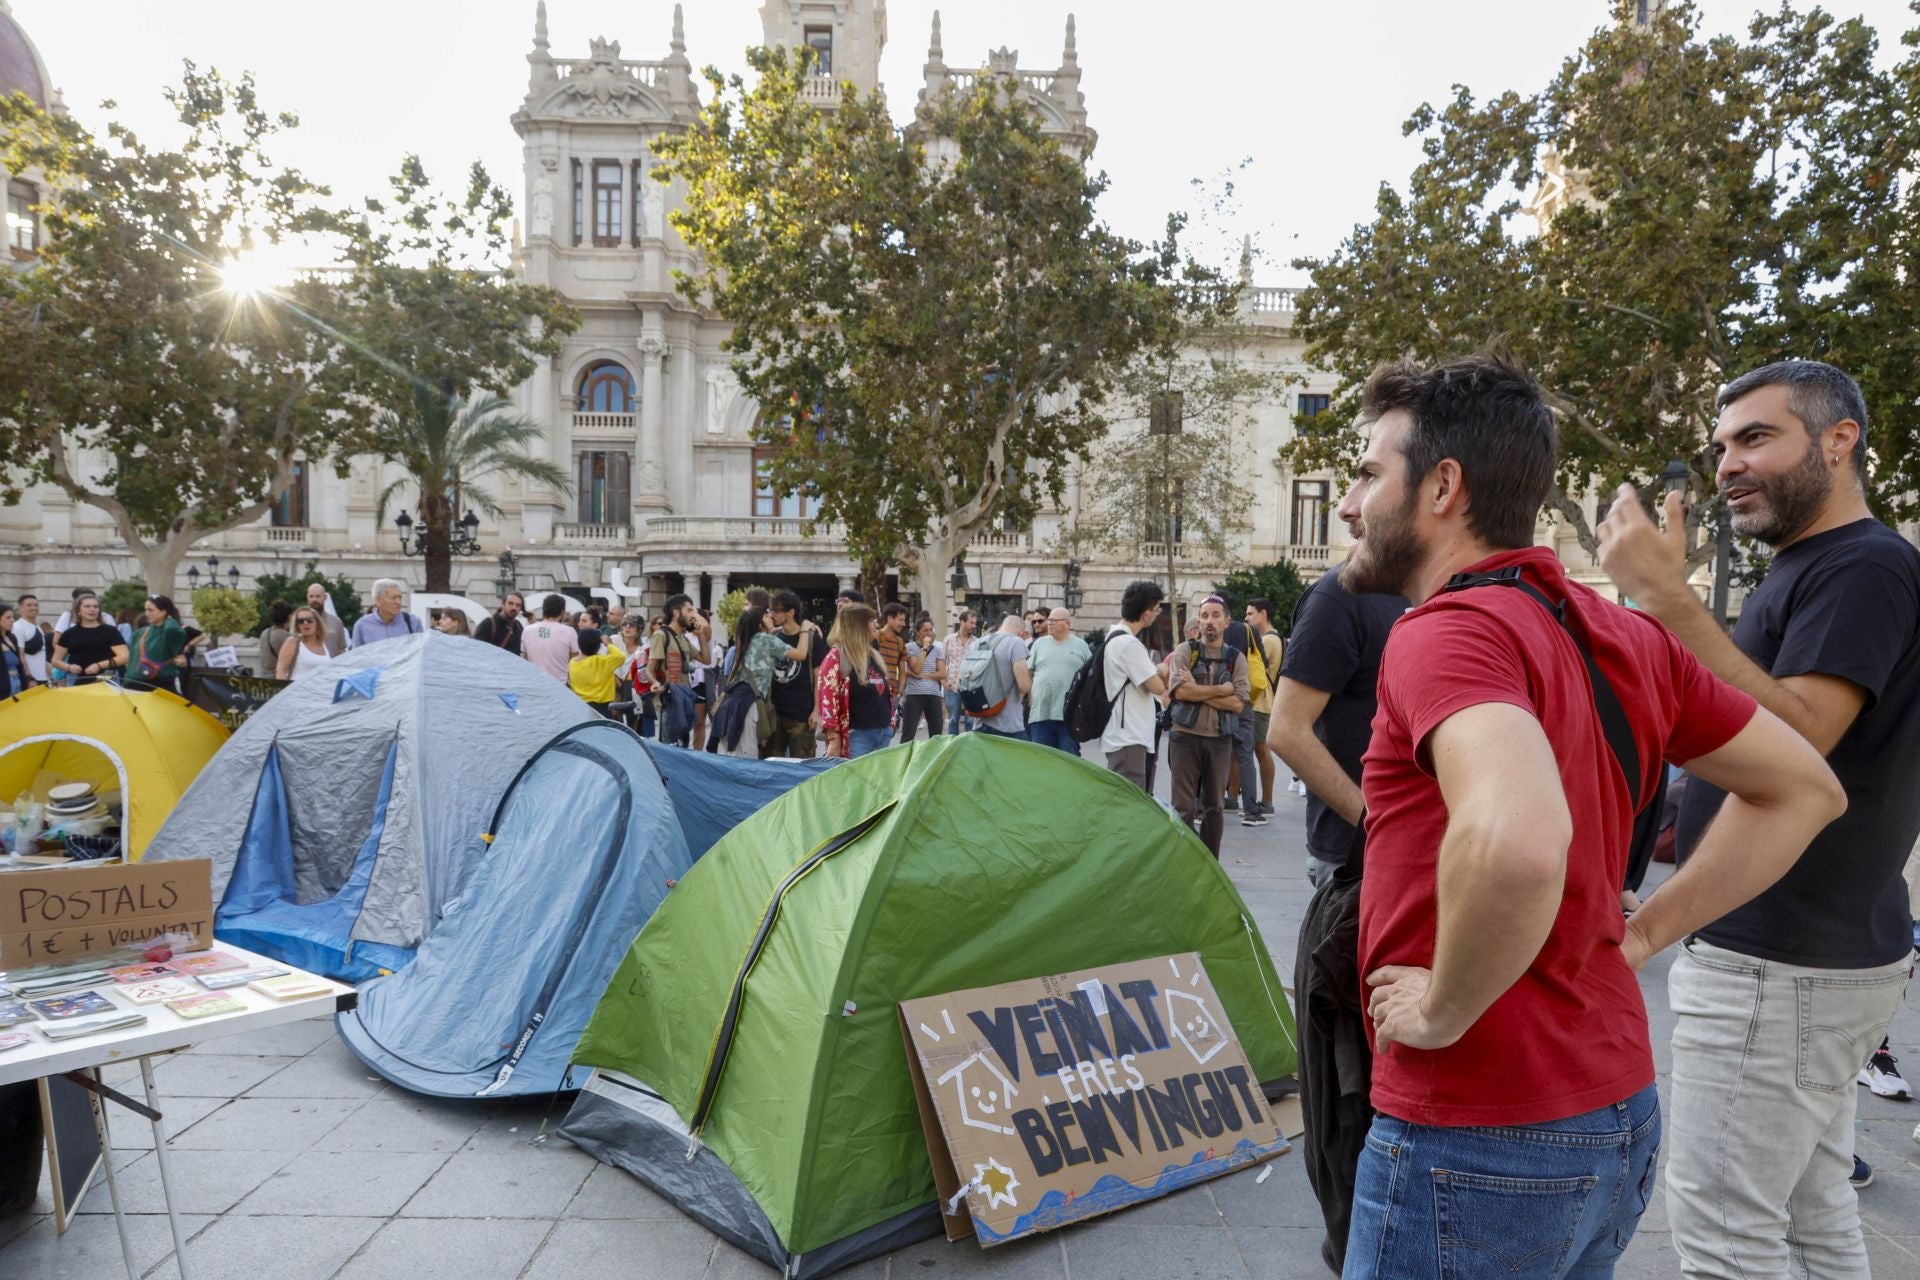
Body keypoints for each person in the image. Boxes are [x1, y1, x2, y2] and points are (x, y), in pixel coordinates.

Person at [1333, 351, 1844, 1279]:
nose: (1346, 504)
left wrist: (1444, 1009)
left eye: (1368, 474)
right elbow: (1807, 788)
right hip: (1613, 1110)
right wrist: (1647, 937)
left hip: (1478, 1126)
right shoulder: (1625, 634)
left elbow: (1518, 842)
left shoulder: (1446, 632)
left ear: (1444, 486)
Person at [1595, 358, 1920, 1277]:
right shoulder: (1816, 565)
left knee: (1725, 1238)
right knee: (1815, 1219)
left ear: (1839, 440)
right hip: (1806, 958)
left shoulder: (1864, 565)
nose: (1728, 462)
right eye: (1722, 445)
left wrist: (1666, 597)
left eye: (1756, 438)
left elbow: (1802, 737)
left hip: (1780, 961)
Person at [1268, 570, 1407, 888]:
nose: (1347, 515)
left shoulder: (1437, 588)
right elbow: (1286, 731)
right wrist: (1376, 825)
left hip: (1431, 850)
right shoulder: (1339, 595)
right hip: (1354, 857)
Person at [1164, 596, 1248, 857]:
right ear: (1198, 621)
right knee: (1183, 806)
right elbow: (1179, 694)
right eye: (1204, 615)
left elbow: (1238, 705)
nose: (1209, 621)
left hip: (1219, 738)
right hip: (1184, 737)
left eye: (1215, 615)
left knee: (1215, 806)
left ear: (1226, 621)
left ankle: (1210, 862)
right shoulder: (1185, 652)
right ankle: (1186, 860)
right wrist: (1222, 689)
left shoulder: (1236, 659)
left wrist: (1196, 689)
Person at [1101, 581, 1170, 791]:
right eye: (1157, 609)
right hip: (1128, 736)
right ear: (1146, 612)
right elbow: (1157, 687)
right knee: (1129, 801)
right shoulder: (1129, 645)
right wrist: (1160, 670)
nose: (1158, 614)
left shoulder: (1114, 636)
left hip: (1124, 734)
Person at [817, 603, 895, 758]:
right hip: (857, 736)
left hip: (882, 733)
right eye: (871, 621)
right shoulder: (836, 656)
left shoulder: (873, 655)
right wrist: (833, 737)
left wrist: (891, 724)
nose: (876, 625)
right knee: (856, 781)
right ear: (858, 625)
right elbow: (827, 698)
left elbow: (887, 693)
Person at [713, 606, 791, 756]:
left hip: (733, 705)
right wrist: (806, 631)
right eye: (766, 615)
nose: (771, 616)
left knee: (732, 755)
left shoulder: (747, 641)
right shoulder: (765, 640)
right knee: (746, 760)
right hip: (747, 707)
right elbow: (800, 654)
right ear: (759, 624)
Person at [1218, 605, 1269, 824]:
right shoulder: (1247, 630)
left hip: (1216, 700)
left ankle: (1205, 806)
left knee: (1213, 752)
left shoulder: (1211, 629)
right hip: (1242, 698)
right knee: (1245, 755)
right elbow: (1263, 662)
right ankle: (1251, 811)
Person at [763, 591, 822, 759]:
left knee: (802, 765)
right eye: (771, 610)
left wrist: (817, 710)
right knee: (770, 764)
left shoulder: (812, 639)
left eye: (777, 610)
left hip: (802, 714)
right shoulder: (774, 636)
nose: (772, 614)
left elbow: (819, 676)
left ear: (791, 612)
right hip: (774, 713)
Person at [1025, 607, 1091, 754]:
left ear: (1067, 624)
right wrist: (1031, 700)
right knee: (1041, 760)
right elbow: (1028, 673)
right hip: (1041, 714)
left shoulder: (1081, 646)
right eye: (1049, 620)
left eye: (1054, 620)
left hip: (1069, 716)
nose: (1049, 623)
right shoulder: (1039, 644)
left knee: (1069, 760)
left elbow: (1089, 679)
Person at [1244, 598, 1286, 816]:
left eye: (1251, 613)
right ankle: (1238, 796)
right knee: (1248, 752)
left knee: (1261, 750)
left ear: (1263, 614)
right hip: (1259, 701)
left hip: (1260, 702)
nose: (1247, 618)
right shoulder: (1263, 638)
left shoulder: (1268, 640)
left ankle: (1267, 801)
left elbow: (1256, 671)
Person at [649, 594, 707, 747]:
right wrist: (655, 682)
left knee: (683, 745)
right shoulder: (661, 635)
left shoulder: (683, 638)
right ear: (676, 612)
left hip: (685, 697)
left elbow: (706, 659)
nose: (692, 616)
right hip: (669, 699)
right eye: (689, 611)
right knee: (670, 747)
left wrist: (700, 635)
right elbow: (650, 669)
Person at [970, 616, 1033, 739]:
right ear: (1021, 633)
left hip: (980, 720)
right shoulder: (1016, 642)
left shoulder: (978, 643)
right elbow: (1024, 685)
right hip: (1008, 724)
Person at [52, 593, 128, 685]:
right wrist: (69, 667)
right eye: (87, 606)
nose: (92, 609)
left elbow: (125, 657)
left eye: (95, 607)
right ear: (78, 610)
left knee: (104, 698)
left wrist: (99, 665)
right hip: (75, 676)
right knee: (79, 699)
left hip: (106, 674)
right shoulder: (69, 633)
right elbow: (55, 660)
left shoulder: (111, 631)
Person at [897, 616, 947, 741]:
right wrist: (925, 648)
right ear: (918, 632)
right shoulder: (910, 647)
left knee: (936, 735)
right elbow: (917, 668)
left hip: (934, 695)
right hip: (914, 695)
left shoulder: (938, 649)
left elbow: (942, 673)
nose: (929, 633)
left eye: (931, 630)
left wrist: (925, 676)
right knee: (908, 733)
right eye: (925, 630)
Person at [127, 596, 191, 694]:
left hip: (162, 686)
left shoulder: (173, 633)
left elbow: (173, 631)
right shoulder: (139, 633)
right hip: (135, 685)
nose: (146, 614)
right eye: (146, 610)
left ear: (164, 611)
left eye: (150, 610)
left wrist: (169, 619)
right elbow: (132, 661)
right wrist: (127, 682)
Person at [523, 594, 583, 683]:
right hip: (560, 684)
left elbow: (525, 658)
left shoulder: (527, 630)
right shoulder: (570, 632)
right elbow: (575, 660)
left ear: (544, 610)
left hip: (534, 683)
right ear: (562, 612)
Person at [569, 627, 626, 718]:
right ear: (598, 646)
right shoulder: (602, 661)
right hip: (602, 707)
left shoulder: (573, 663)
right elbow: (620, 656)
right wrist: (607, 643)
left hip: (581, 706)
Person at [349, 579, 420, 648]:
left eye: (400, 597)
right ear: (378, 600)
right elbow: (357, 657)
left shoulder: (412, 622)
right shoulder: (362, 625)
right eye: (393, 598)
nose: (398, 602)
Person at [942, 609, 978, 734]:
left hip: (971, 687)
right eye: (971, 623)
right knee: (952, 719)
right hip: (951, 686)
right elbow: (942, 661)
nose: (974, 626)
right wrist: (943, 681)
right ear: (962, 621)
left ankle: (969, 749)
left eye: (974, 623)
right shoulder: (949, 640)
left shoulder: (976, 642)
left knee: (971, 721)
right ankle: (953, 747)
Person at [275, 606, 334, 681]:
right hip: (298, 691)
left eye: (309, 620)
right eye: (300, 621)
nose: (305, 623)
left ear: (317, 622)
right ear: (297, 626)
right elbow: (280, 671)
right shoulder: (293, 642)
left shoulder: (323, 644)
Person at [873, 602, 911, 703]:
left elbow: (903, 671)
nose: (904, 624)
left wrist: (899, 693)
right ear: (890, 619)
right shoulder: (875, 637)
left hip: (891, 695)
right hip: (874, 691)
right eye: (901, 620)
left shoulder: (900, 642)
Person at [10, 595, 47, 685]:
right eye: (29, 605)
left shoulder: (38, 627)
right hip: (31, 680)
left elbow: (41, 655)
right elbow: (20, 656)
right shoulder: (17, 627)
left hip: (43, 677)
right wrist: (28, 678)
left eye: (36, 605)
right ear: (21, 608)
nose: (33, 608)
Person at [0, 603, 35, 696]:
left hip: (17, 684)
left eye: (12, 617)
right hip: (3, 688)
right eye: (8, 618)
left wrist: (28, 679)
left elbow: (20, 664)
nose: (12, 620)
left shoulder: (12, 638)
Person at [306, 583, 348, 656]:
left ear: (325, 597)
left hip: (331, 665)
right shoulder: (300, 621)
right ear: (307, 597)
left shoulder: (336, 622)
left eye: (318, 596)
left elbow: (341, 650)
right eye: (311, 596)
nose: (314, 599)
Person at [260, 601, 295, 671]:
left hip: (264, 675)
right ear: (290, 616)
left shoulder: (265, 633)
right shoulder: (287, 637)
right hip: (279, 676)